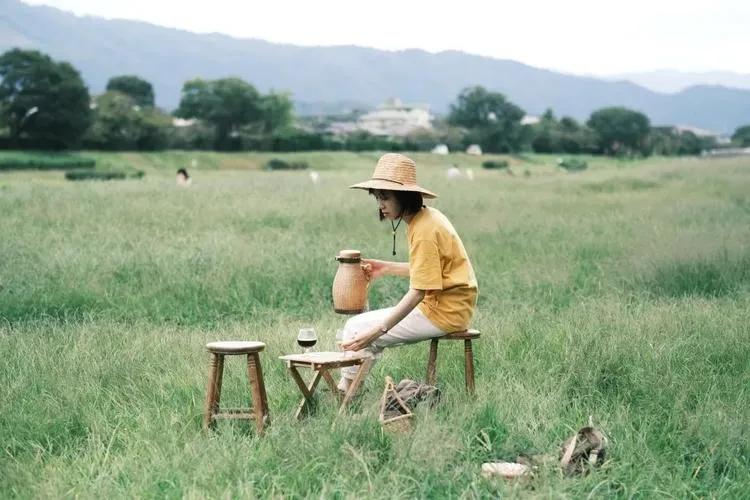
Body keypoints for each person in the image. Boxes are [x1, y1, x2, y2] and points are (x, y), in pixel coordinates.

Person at [338, 153, 478, 392]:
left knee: (356, 328)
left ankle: (346, 394)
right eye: (378, 198)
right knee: (356, 328)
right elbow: (431, 270)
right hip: (451, 307)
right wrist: (387, 267)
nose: (380, 205)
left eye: (386, 198)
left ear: (404, 196)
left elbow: (419, 292)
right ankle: (348, 389)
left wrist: (379, 330)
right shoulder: (428, 217)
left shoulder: (424, 230)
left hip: (443, 312)